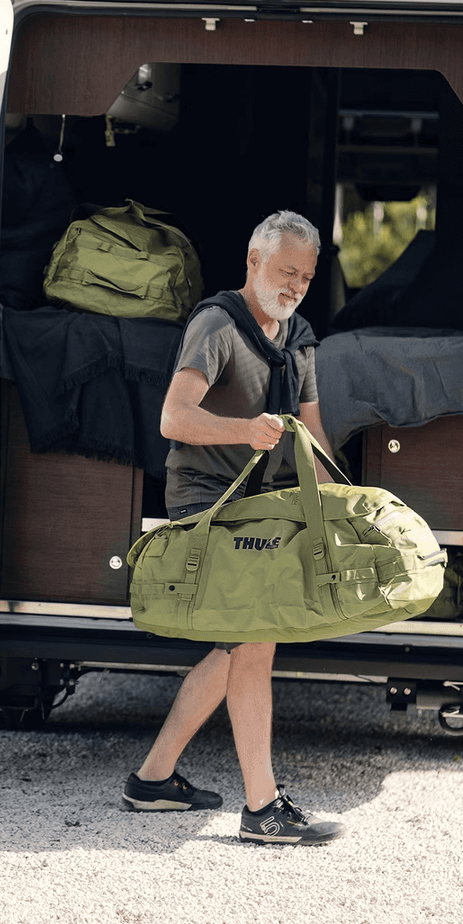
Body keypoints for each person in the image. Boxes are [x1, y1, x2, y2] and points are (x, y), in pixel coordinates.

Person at [122, 210, 345, 845]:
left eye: (305, 274)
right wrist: (245, 431)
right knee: (255, 641)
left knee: (237, 645)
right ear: (252, 262)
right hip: (206, 502)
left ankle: (154, 778)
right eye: (285, 271)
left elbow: (312, 429)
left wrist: (341, 500)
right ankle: (262, 807)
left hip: (262, 503)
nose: (297, 284)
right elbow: (173, 418)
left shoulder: (299, 334)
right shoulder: (216, 325)